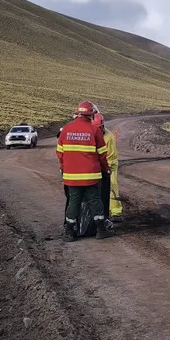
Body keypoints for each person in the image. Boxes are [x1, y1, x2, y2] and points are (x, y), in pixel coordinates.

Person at [56, 101, 114, 241]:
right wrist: (106, 170)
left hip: (71, 177)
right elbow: (102, 155)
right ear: (91, 114)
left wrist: (64, 169)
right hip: (91, 176)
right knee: (95, 201)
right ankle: (100, 230)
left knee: (74, 202)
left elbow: (60, 153)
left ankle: (69, 232)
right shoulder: (94, 130)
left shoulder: (66, 130)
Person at [92, 112, 124, 223]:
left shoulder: (108, 137)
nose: (97, 130)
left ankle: (116, 211)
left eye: (99, 127)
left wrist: (106, 169)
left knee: (112, 184)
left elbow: (109, 157)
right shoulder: (90, 135)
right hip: (96, 164)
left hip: (110, 164)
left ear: (102, 126)